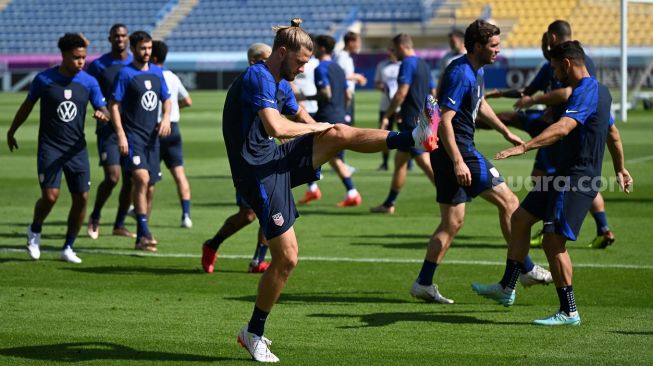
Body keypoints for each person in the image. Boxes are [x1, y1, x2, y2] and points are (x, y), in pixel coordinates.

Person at [228, 18, 439, 362]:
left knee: (338, 132)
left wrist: (328, 129)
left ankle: (413, 138)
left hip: (274, 160)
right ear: (282, 53)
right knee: (287, 258)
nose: (303, 68)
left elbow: (302, 120)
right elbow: (276, 125)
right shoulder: (258, 76)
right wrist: (319, 128)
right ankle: (253, 333)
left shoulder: (280, 81)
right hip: (257, 174)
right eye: (300, 62)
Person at [472, 40, 633, 326]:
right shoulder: (602, 91)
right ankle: (507, 287)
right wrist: (620, 168)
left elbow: (563, 128)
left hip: (575, 179)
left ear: (567, 64)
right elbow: (614, 134)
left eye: (556, 68)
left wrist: (524, 147)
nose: (555, 74)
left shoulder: (584, 92)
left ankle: (569, 311)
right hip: (562, 174)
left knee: (553, 241)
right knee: (520, 219)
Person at [409, 20, 554, 305]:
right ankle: (525, 268)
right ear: (477, 46)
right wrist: (459, 162)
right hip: (460, 151)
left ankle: (423, 283)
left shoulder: (474, 69)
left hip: (450, 153)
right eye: (494, 46)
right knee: (511, 203)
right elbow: (445, 123)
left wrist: (505, 130)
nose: (498, 50)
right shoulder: (461, 73)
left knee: (452, 222)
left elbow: (480, 104)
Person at [487, 21, 615, 249]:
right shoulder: (552, 64)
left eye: (544, 41)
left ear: (552, 39)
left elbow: (569, 94)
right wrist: (500, 93)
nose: (542, 46)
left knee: (576, 181)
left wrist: (535, 104)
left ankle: (571, 226)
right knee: (545, 178)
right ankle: (582, 226)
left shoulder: (579, 64)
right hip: (553, 129)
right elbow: (528, 90)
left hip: (564, 131)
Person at [7, 33, 109, 263]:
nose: (81, 62)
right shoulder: (44, 79)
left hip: (76, 150)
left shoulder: (89, 82)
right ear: (63, 56)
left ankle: (68, 247)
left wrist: (104, 115)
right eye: (76, 57)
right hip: (50, 148)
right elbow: (27, 106)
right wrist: (12, 131)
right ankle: (34, 231)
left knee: (82, 198)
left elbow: (105, 110)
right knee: (51, 197)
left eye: (84, 58)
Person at [201, 43, 273, 274]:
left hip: (267, 155)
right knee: (249, 214)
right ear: (253, 61)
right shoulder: (245, 85)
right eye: (266, 59)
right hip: (247, 161)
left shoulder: (270, 82)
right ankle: (213, 244)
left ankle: (258, 260)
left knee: (269, 208)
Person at [110, 30, 171, 252]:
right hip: (133, 137)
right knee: (141, 179)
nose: (147, 52)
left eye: (149, 48)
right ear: (133, 49)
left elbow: (167, 99)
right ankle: (145, 232)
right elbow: (114, 105)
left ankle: (141, 235)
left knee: (151, 187)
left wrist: (166, 118)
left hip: (152, 139)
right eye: (143, 48)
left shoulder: (157, 72)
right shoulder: (125, 74)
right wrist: (121, 134)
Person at [369, 34, 435, 214]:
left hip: (412, 121)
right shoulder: (424, 64)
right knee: (400, 162)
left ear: (401, 46)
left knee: (424, 162)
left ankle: (450, 197)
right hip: (422, 118)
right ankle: (389, 204)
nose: (393, 52)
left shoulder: (407, 63)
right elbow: (433, 92)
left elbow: (401, 93)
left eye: (394, 48)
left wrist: (388, 114)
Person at [297, 34, 362, 207]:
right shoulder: (338, 68)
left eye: (316, 47)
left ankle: (319, 189)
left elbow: (326, 93)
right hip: (340, 115)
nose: (314, 50)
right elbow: (348, 94)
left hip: (326, 116)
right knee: (332, 157)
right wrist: (342, 110)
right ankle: (347, 192)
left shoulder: (321, 68)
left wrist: (304, 96)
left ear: (323, 48)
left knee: (306, 152)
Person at [86, 24, 136, 240]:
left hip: (133, 130)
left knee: (131, 179)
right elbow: (88, 89)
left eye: (123, 36)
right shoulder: (99, 65)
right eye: (116, 36)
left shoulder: (136, 63)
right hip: (108, 130)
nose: (120, 39)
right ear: (110, 38)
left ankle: (119, 224)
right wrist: (98, 110)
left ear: (128, 38)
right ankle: (95, 216)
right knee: (113, 177)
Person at [150, 40, 193, 228]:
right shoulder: (173, 76)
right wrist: (174, 111)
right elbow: (188, 100)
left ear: (153, 56)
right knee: (179, 173)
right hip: (173, 127)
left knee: (148, 176)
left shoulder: (150, 74)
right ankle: (186, 215)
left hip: (155, 128)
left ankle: (143, 216)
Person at [374, 43, 401, 171]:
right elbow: (376, 83)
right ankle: (384, 163)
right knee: (383, 135)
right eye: (389, 50)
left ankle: (409, 162)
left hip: (401, 107)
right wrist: (383, 87)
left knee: (407, 133)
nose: (390, 52)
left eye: (392, 50)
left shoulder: (403, 64)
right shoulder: (382, 65)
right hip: (385, 106)